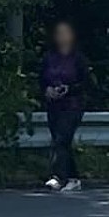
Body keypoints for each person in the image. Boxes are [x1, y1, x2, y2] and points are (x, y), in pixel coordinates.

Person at [39, 20, 92, 193]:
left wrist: (69, 89)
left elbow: (86, 82)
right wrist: (47, 90)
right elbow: (41, 79)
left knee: (62, 139)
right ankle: (73, 177)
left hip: (73, 105)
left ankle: (58, 176)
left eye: (66, 33)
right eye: (59, 33)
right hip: (54, 105)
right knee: (60, 141)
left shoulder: (78, 59)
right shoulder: (49, 57)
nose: (62, 37)